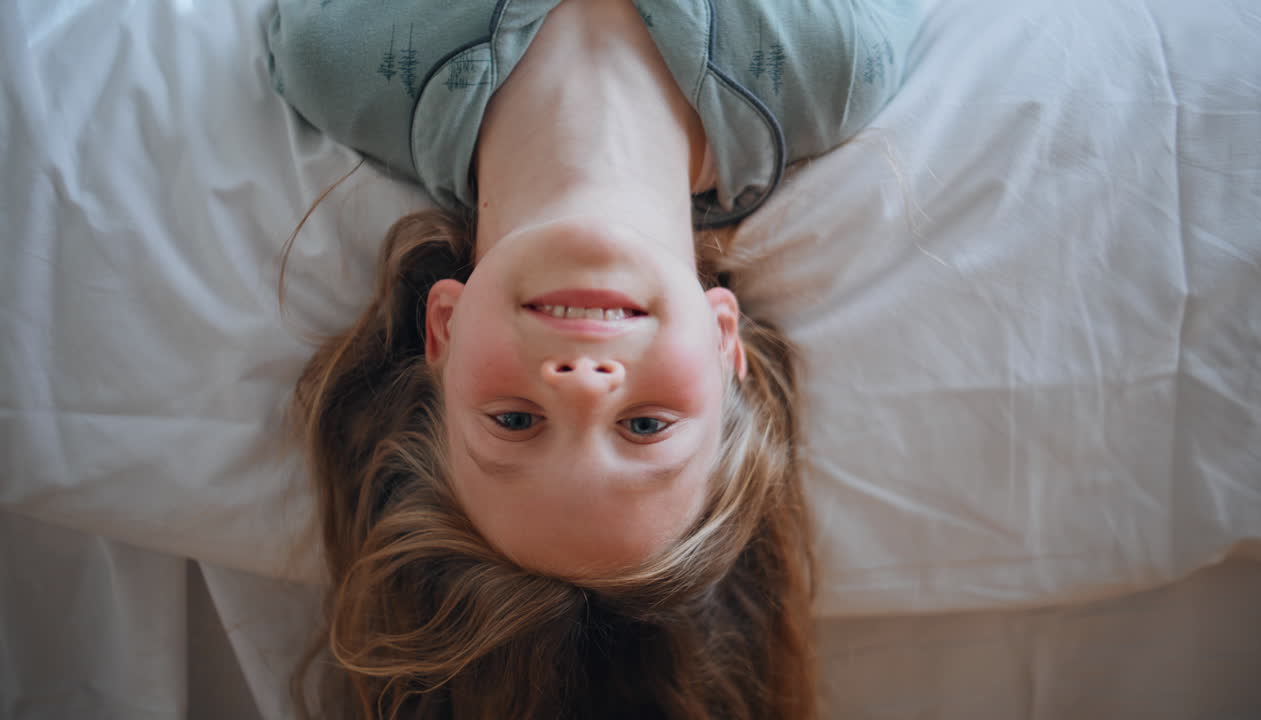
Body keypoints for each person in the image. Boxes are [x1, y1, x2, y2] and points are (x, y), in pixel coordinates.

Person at [268, 0, 920, 717]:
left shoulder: (340, 59)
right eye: (645, 428)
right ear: (723, 339)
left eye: (515, 421)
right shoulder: (836, 59)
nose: (582, 386)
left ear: (443, 332)